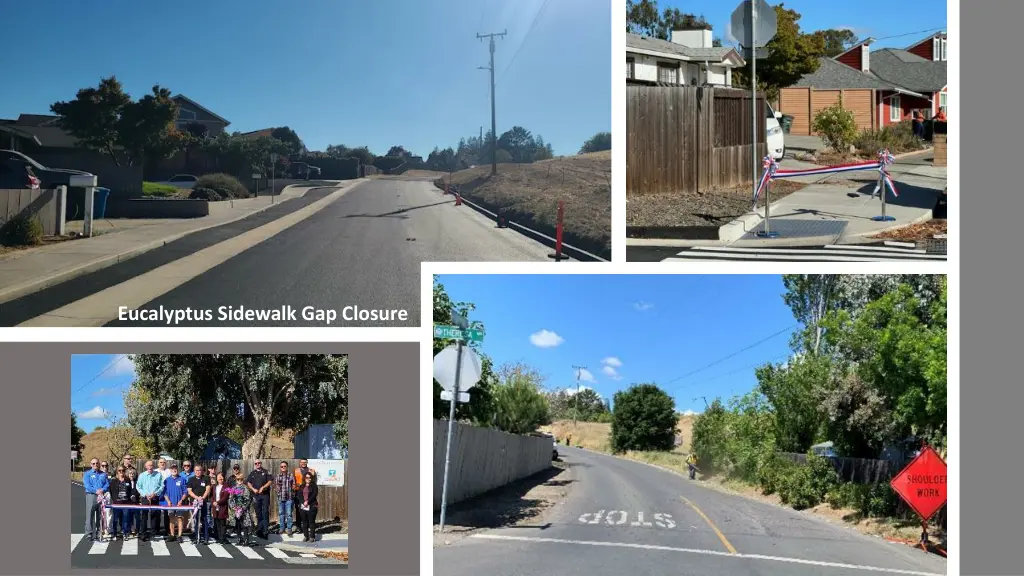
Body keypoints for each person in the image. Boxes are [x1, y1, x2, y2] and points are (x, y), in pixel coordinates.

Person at [136, 460, 164, 543]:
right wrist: (144, 494)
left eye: (151, 465)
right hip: (145, 498)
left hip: (154, 497)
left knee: (154, 516)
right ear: (145, 466)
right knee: (144, 516)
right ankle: (143, 534)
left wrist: (155, 493)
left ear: (153, 466)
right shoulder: (142, 475)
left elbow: (162, 486)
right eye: (148, 465)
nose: (150, 467)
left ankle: (153, 534)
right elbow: (138, 486)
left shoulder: (158, 475)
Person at [83, 458, 109, 541]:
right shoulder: (87, 474)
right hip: (91, 496)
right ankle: (89, 533)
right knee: (90, 515)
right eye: (93, 463)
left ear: (99, 464)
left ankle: (99, 533)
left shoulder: (103, 474)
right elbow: (87, 485)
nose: (95, 465)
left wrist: (102, 490)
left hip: (101, 496)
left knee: (100, 516)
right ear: (91, 464)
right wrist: (96, 491)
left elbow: (107, 484)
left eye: (97, 463)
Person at [108, 466, 136, 540]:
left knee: (125, 518)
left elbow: (130, 490)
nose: (121, 472)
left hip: (125, 503)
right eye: (119, 470)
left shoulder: (127, 480)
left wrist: (131, 498)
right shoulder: (113, 480)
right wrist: (114, 499)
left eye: (123, 470)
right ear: (117, 471)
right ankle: (114, 533)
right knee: (115, 519)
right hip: (117, 503)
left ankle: (125, 533)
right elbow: (111, 491)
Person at [247, 460, 273, 539]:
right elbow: (248, 482)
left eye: (259, 463)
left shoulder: (266, 472)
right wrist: (253, 489)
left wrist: (263, 487)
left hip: (265, 495)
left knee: (265, 512)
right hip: (256, 496)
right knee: (258, 513)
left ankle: (265, 531)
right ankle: (259, 530)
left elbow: (270, 481)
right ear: (254, 464)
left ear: (261, 464)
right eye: (256, 463)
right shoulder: (252, 473)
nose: (257, 464)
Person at [163, 463, 188, 543]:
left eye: (175, 468)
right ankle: (172, 535)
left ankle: (179, 536)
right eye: (172, 468)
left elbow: (185, 492)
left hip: (179, 503)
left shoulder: (182, 479)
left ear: (177, 469)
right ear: (170, 470)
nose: (174, 470)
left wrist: (181, 501)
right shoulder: (167, 480)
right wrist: (168, 501)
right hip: (170, 503)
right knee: (171, 519)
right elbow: (165, 493)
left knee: (180, 519)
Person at [187, 465, 212, 545]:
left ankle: (206, 538)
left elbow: (208, 489)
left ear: (202, 471)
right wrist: (197, 498)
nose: (198, 472)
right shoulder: (191, 479)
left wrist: (202, 498)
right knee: (196, 520)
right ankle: (197, 537)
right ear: (194, 471)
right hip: (194, 503)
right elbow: (189, 491)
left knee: (204, 520)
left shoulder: (206, 478)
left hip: (203, 502)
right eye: (196, 470)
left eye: (199, 470)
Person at [292, 459, 315, 532]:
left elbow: (314, 481)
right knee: (299, 510)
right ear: (300, 463)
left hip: (309, 492)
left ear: (307, 463)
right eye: (302, 462)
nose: (303, 463)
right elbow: (293, 481)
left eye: (305, 462)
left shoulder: (311, 471)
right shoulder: (296, 470)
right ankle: (299, 526)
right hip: (299, 493)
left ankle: (308, 526)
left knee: (308, 509)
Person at [275, 461, 295, 536]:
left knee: (289, 514)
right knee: (281, 514)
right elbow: (276, 487)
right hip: (280, 498)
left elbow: (294, 485)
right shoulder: (278, 476)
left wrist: (292, 492)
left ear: (287, 467)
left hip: (289, 498)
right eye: (281, 466)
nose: (283, 467)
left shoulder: (291, 475)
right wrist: (277, 490)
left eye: (284, 466)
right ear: (280, 468)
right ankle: (282, 528)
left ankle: (289, 528)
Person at [297, 472, 319, 542]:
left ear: (311, 478)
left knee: (311, 522)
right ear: (304, 478)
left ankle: (312, 537)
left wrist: (308, 501)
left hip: (312, 505)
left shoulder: (314, 486)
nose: (308, 479)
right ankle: (306, 536)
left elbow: (314, 495)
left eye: (309, 477)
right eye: (307, 477)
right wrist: (303, 502)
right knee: (304, 522)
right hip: (303, 506)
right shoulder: (301, 486)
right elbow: (299, 495)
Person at [212, 473, 230, 544]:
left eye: (222, 477)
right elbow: (212, 496)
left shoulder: (227, 486)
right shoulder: (214, 486)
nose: (220, 478)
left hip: (222, 506)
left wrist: (218, 502)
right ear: (217, 478)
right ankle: (219, 538)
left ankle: (223, 538)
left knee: (222, 523)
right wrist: (213, 502)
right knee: (217, 523)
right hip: (215, 507)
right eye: (219, 477)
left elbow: (225, 497)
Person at [156, 458, 171, 538]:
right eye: (160, 462)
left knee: (166, 513)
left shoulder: (169, 471)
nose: (162, 464)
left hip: (166, 494)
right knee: (157, 512)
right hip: (157, 494)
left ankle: (166, 530)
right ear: (158, 463)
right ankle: (156, 529)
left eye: (164, 462)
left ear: (166, 463)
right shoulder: (155, 471)